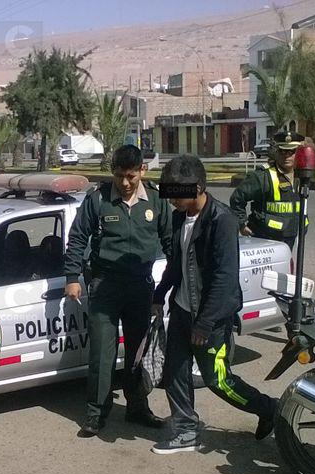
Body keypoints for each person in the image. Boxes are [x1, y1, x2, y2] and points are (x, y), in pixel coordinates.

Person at [152, 154, 277, 454]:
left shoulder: (222, 220)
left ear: (197, 188)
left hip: (211, 318)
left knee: (218, 380)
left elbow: (224, 278)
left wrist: (205, 323)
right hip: (182, 310)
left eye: (175, 192)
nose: (170, 199)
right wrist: (159, 295)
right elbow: (176, 263)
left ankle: (268, 408)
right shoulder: (180, 217)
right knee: (174, 372)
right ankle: (186, 430)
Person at [63, 145, 173, 437]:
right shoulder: (98, 199)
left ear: (142, 171)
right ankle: (96, 413)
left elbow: (170, 240)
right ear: (112, 172)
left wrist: (175, 280)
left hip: (140, 286)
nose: (124, 183)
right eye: (119, 176)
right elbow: (77, 238)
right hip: (105, 287)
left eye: (131, 176)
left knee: (138, 352)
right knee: (102, 352)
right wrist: (72, 277)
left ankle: (137, 407)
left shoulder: (157, 200)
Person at [230, 131, 306, 249]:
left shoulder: (302, 176)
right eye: (282, 151)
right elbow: (237, 198)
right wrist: (241, 224)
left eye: (291, 152)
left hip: (289, 236)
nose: (286, 156)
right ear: (277, 152)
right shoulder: (262, 176)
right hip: (264, 237)